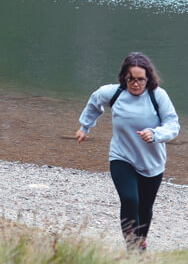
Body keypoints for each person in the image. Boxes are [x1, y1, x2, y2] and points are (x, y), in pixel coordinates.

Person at [75, 52, 181, 252]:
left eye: (140, 79)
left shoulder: (158, 96)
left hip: (152, 163)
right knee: (130, 199)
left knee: (144, 207)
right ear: (124, 77)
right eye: (131, 79)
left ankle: (141, 242)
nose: (135, 84)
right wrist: (85, 127)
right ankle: (131, 247)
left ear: (148, 78)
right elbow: (94, 102)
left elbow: (173, 125)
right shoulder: (113, 93)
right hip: (121, 157)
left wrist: (155, 134)